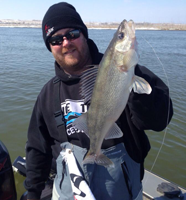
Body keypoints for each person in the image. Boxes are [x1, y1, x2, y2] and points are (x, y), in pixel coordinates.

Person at [24, 2, 173, 200]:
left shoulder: (129, 73)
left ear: (84, 34)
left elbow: (159, 121)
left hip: (122, 191)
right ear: (50, 47)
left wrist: (132, 81)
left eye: (73, 34)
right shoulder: (48, 94)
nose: (66, 43)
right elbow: (37, 149)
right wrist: (33, 193)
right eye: (56, 39)